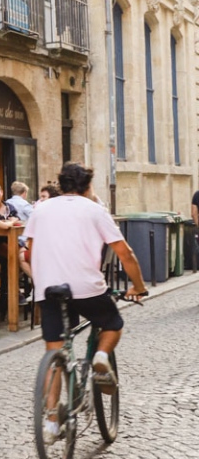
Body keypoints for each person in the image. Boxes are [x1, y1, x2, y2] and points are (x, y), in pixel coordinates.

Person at [26, 161, 146, 407]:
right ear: (88, 186)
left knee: (54, 349)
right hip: (86, 288)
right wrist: (138, 287)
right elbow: (125, 254)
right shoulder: (95, 210)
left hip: (48, 289)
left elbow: (29, 251)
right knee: (112, 323)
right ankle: (101, 356)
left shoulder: (40, 209)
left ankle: (51, 420)